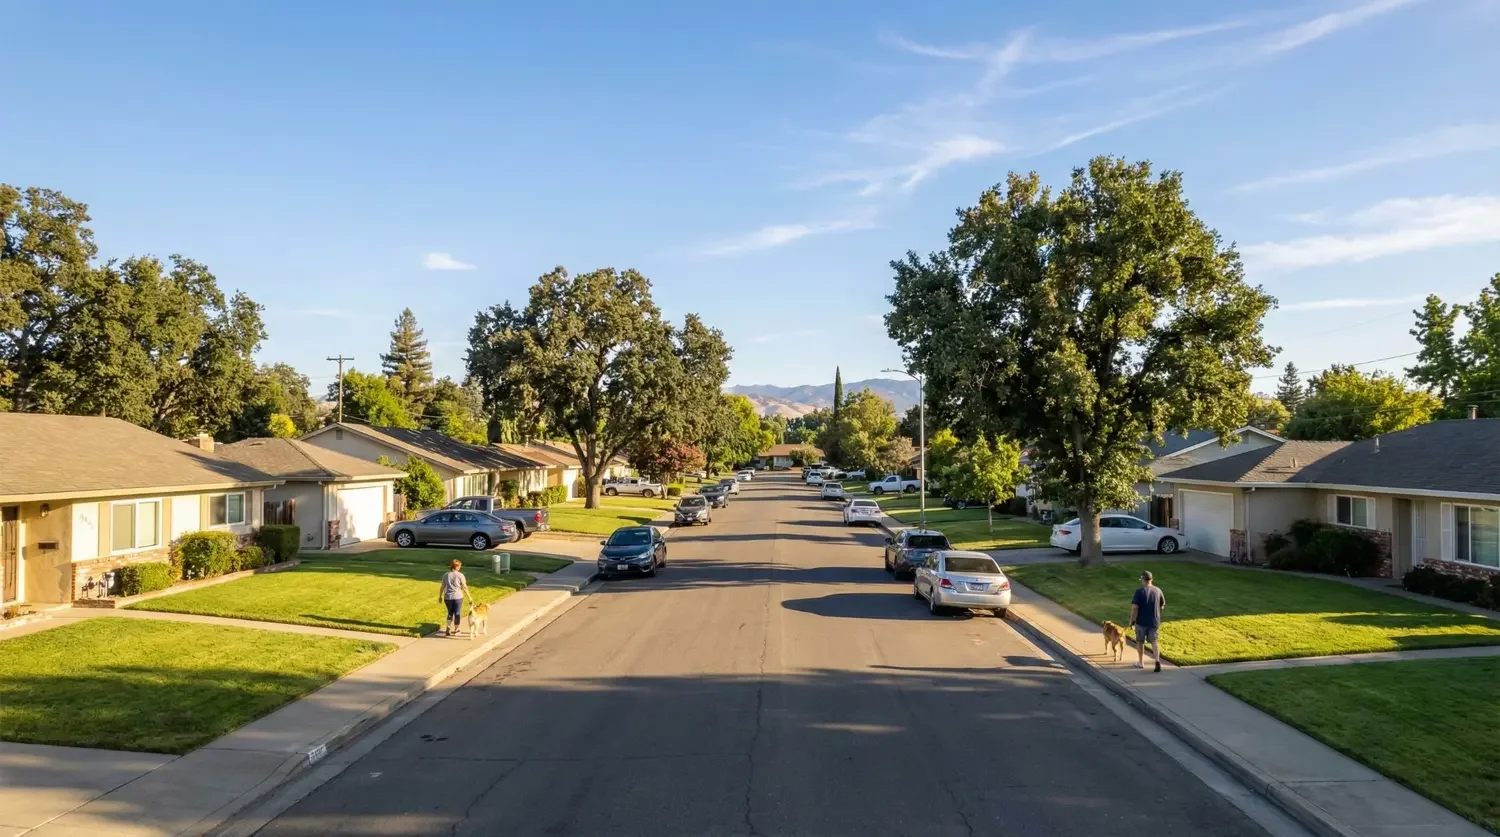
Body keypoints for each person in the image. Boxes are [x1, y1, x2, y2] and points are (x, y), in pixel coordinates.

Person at [1129, 569, 1166, 672]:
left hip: (1141, 622)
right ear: (1151, 579)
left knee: (1140, 642)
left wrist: (1131, 621)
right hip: (1154, 621)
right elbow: (1162, 605)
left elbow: (1134, 607)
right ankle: (1157, 661)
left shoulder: (1139, 592)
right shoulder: (1158, 590)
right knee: (1154, 641)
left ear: (1143, 580)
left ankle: (1141, 663)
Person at [439, 559, 471, 637]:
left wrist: (440, 596)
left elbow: (442, 586)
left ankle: (448, 627)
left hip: (448, 597)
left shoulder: (446, 575)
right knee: (457, 613)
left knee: (450, 612)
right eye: (459, 566)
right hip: (458, 596)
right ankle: (456, 630)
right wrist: (469, 597)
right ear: (457, 566)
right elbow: (464, 586)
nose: (460, 568)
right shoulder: (460, 575)